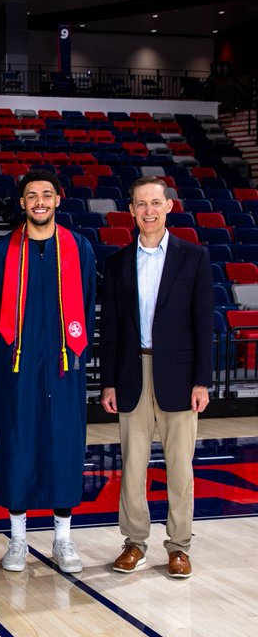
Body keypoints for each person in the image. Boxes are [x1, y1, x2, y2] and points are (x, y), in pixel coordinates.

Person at [100, 176, 213, 578]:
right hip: (132, 373)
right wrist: (108, 381)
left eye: (155, 203)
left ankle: (179, 546)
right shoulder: (116, 263)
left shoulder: (194, 257)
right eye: (140, 204)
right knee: (132, 465)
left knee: (180, 467)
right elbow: (111, 328)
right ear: (130, 211)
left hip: (180, 376)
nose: (148, 210)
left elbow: (203, 323)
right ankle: (134, 542)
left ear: (169, 207)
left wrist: (202, 380)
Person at [0, 168, 96, 573]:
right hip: (17, 366)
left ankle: (63, 540)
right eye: (32, 196)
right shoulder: (2, 252)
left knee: (63, 447)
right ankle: (17, 540)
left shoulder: (79, 248)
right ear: (22, 203)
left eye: (46, 195)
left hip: (64, 364)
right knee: (17, 446)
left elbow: (84, 306)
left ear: (58, 199)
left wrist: (72, 352)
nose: (39, 202)